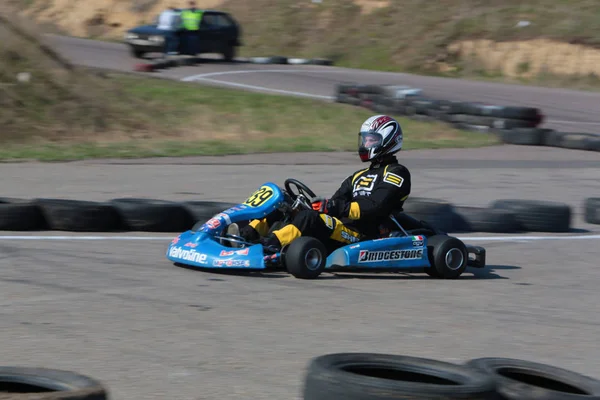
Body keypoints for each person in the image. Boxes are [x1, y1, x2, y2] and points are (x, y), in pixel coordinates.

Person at [228, 114, 412, 255]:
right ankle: (243, 236)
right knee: (283, 204)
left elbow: (376, 206)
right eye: (365, 139)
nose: (365, 144)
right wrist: (325, 206)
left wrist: (333, 207)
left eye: (372, 140)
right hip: (340, 227)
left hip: (361, 234)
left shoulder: (397, 173)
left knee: (310, 218)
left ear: (388, 141)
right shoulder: (358, 175)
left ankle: (267, 247)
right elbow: (338, 200)